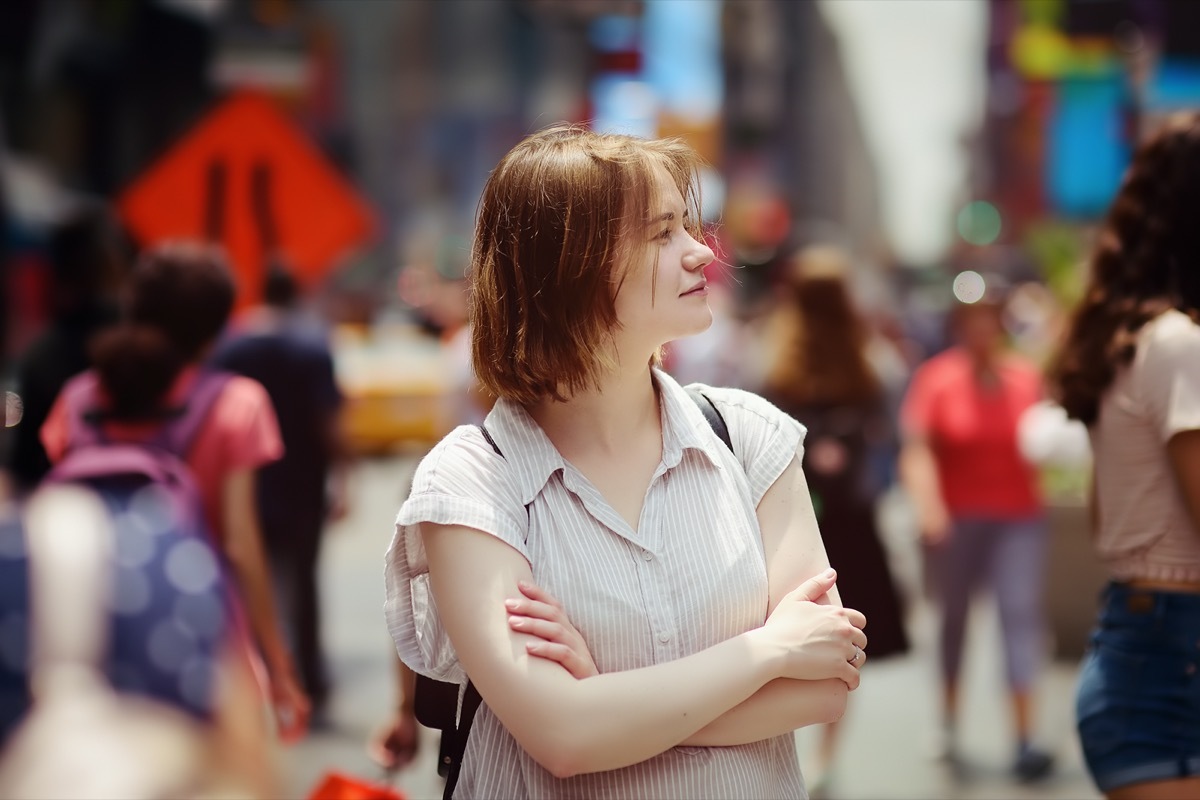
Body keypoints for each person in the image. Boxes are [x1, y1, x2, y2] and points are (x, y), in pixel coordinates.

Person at [384, 124, 868, 798]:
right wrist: (770, 652)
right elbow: (564, 737)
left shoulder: (747, 436)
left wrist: (605, 700)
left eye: (688, 227)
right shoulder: (471, 481)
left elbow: (822, 687)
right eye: (661, 233)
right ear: (568, 265)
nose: (701, 253)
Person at [38, 241, 311, 742]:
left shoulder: (79, 399)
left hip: (82, 633)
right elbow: (240, 546)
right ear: (213, 331)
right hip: (201, 639)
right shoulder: (237, 402)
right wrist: (277, 663)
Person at [1047, 112, 1200, 800]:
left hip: (1145, 653)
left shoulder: (1137, 340)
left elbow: (1114, 514)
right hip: (1173, 677)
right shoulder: (1177, 346)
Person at [757, 245, 910, 795]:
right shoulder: (866, 358)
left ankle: (806, 752)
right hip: (847, 517)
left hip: (793, 516)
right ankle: (821, 754)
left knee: (795, 631)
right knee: (843, 638)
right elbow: (892, 433)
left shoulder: (773, 356)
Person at [898, 278, 1054, 781]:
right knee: (953, 621)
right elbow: (918, 449)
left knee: (1019, 615)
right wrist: (929, 506)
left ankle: (1026, 735)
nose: (982, 327)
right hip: (958, 518)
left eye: (989, 316)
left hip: (1018, 516)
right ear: (959, 325)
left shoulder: (1025, 377)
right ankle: (946, 719)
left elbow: (1047, 438)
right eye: (972, 318)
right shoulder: (937, 379)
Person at [212, 262, 347, 718]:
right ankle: (310, 680)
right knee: (305, 585)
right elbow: (329, 421)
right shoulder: (312, 344)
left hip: (246, 482)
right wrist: (344, 479)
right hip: (304, 483)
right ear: (295, 294)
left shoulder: (230, 344)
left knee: (250, 582)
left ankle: (255, 679)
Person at [8, 204, 123, 493]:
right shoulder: (142, 342)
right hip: (140, 503)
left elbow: (24, 465)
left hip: (58, 509)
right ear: (111, 262)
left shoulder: (41, 356)